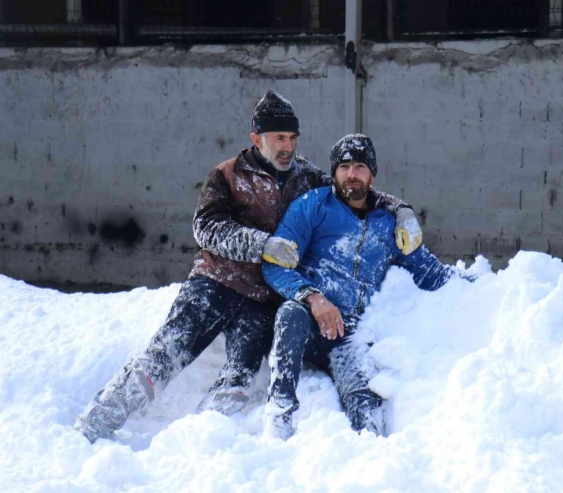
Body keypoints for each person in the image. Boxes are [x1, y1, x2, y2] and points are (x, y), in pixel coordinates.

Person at [75, 91, 423, 444]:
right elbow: (206, 228)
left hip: (263, 300)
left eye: (292, 138)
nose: (287, 147)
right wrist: (263, 244)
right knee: (165, 355)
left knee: (238, 382)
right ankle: (95, 424)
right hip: (215, 285)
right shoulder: (227, 175)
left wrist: (401, 210)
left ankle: (196, 447)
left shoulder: (306, 176)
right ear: (257, 139)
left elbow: (353, 188)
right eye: (279, 139)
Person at [261, 134, 464, 440]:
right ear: (335, 171)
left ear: (372, 174)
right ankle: (279, 412)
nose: (351, 174)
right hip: (309, 321)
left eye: (359, 166)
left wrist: (487, 285)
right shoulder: (312, 206)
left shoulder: (388, 223)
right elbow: (275, 263)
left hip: (349, 334)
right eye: (344, 166)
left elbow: (430, 273)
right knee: (290, 313)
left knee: (368, 413)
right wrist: (312, 297)